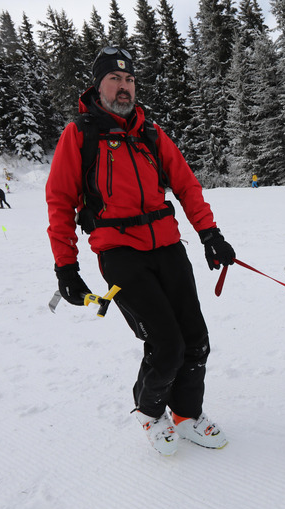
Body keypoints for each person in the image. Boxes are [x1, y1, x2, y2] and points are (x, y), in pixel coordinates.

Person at [45, 45, 237, 456]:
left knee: (196, 340)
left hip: (168, 245)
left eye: (129, 79)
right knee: (166, 345)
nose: (124, 86)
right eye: (114, 79)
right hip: (120, 253)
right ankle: (150, 413)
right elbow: (59, 201)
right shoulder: (80, 134)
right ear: (97, 86)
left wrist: (210, 234)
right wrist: (66, 267)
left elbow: (186, 184)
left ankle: (187, 414)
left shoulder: (150, 132)